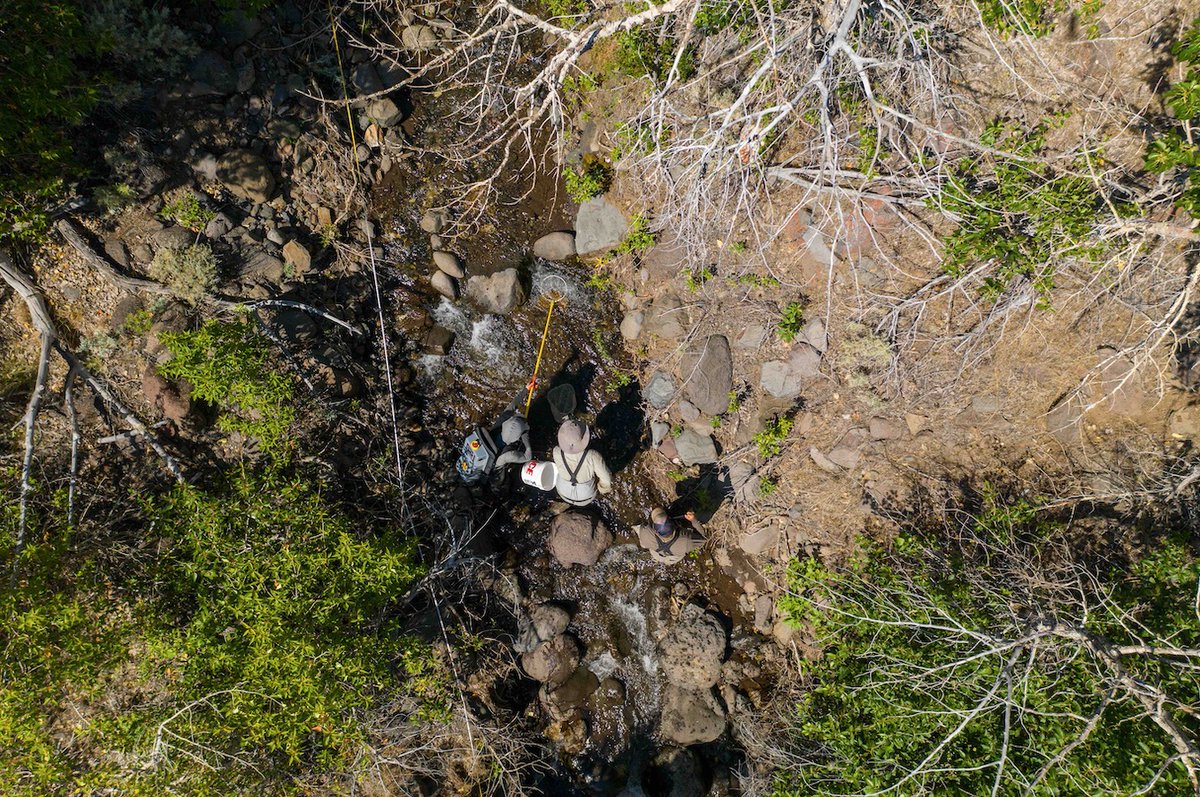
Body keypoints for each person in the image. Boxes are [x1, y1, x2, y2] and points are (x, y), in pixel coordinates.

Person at [552, 419, 613, 506]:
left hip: (563, 493)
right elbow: (607, 479)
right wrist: (601, 489)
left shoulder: (556, 451)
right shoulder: (592, 455)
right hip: (585, 498)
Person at [636, 507, 705, 564]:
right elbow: (703, 539)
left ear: (655, 529)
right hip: (673, 558)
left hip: (656, 554)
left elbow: (647, 523)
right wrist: (693, 520)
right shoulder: (686, 541)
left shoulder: (645, 532)